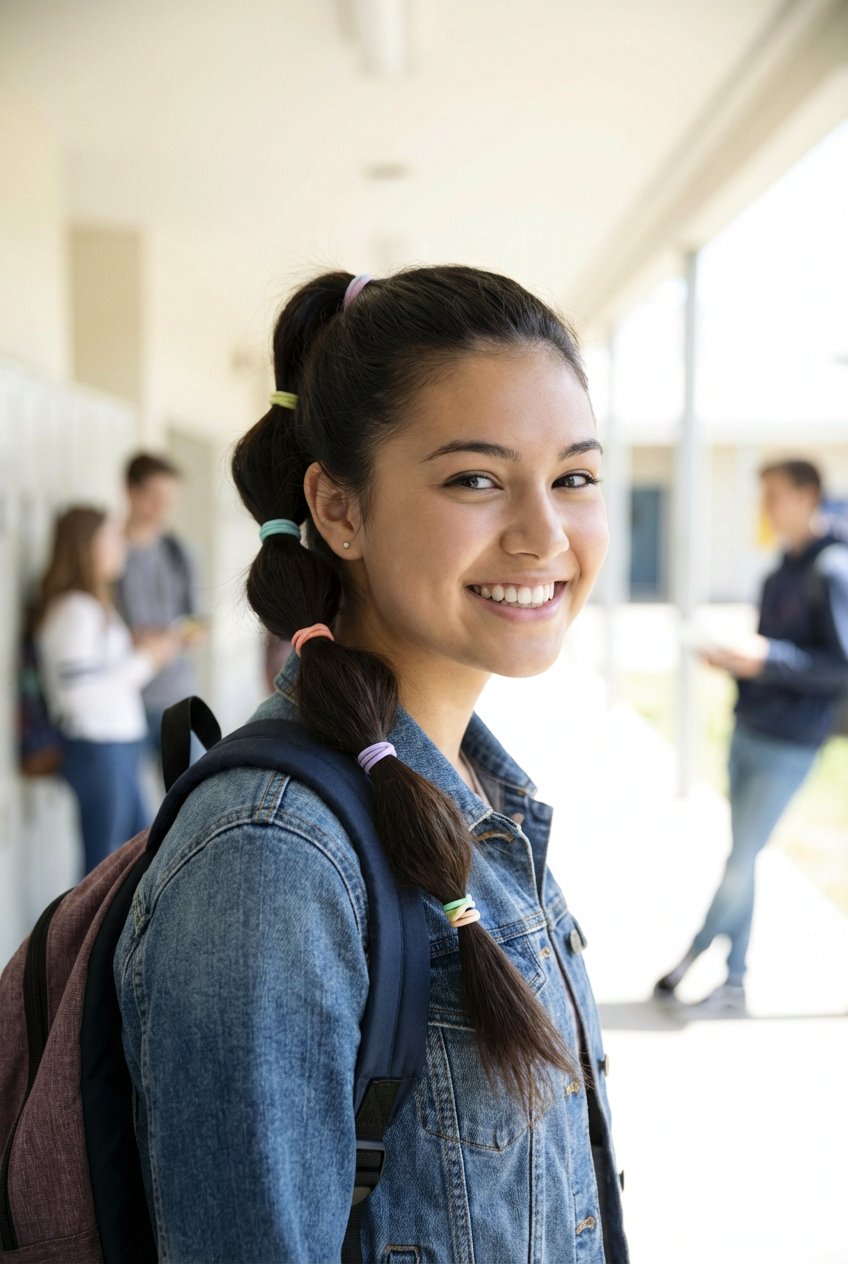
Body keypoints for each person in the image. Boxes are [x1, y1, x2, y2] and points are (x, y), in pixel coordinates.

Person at [114, 267, 629, 1262]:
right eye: (474, 478)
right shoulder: (272, 856)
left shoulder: (484, 795)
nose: (541, 534)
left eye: (572, 476)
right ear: (337, 510)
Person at [655, 459, 848, 1015]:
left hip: (792, 740)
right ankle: (734, 981)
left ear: (809, 495)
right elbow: (772, 657)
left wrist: (767, 657)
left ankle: (693, 956)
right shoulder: (776, 573)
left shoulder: (832, 570)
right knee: (743, 856)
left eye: (775, 495)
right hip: (749, 729)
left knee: (741, 858)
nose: (766, 508)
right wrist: (739, 661)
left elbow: (838, 665)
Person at [35, 507, 181, 874]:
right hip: (100, 750)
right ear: (87, 547)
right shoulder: (75, 610)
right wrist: (148, 659)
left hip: (115, 749)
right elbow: (78, 697)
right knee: (102, 869)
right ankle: (85, 934)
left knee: (131, 858)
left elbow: (96, 673)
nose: (122, 548)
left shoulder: (93, 607)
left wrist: (137, 649)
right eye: (112, 539)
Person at [115, 452, 204, 758]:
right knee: (128, 804)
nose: (161, 509)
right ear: (130, 491)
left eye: (168, 500)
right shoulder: (107, 552)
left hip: (176, 697)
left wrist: (184, 635)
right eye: (154, 497)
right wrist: (132, 638)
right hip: (122, 699)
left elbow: (198, 620)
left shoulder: (179, 552)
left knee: (184, 798)